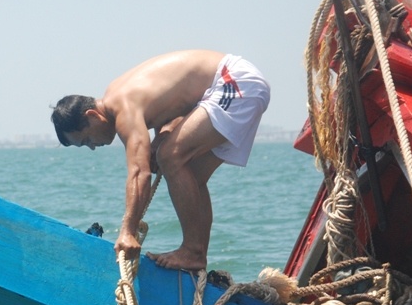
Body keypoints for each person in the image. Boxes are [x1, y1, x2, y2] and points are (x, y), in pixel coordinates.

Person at [51, 50, 270, 271]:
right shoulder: (118, 93)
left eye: (87, 139)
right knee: (191, 172)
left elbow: (140, 173)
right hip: (236, 83)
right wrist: (162, 135)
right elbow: (172, 102)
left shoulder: (122, 109)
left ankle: (192, 251)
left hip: (233, 81)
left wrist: (127, 231)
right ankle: (197, 256)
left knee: (170, 157)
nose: (92, 146)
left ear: (92, 115)